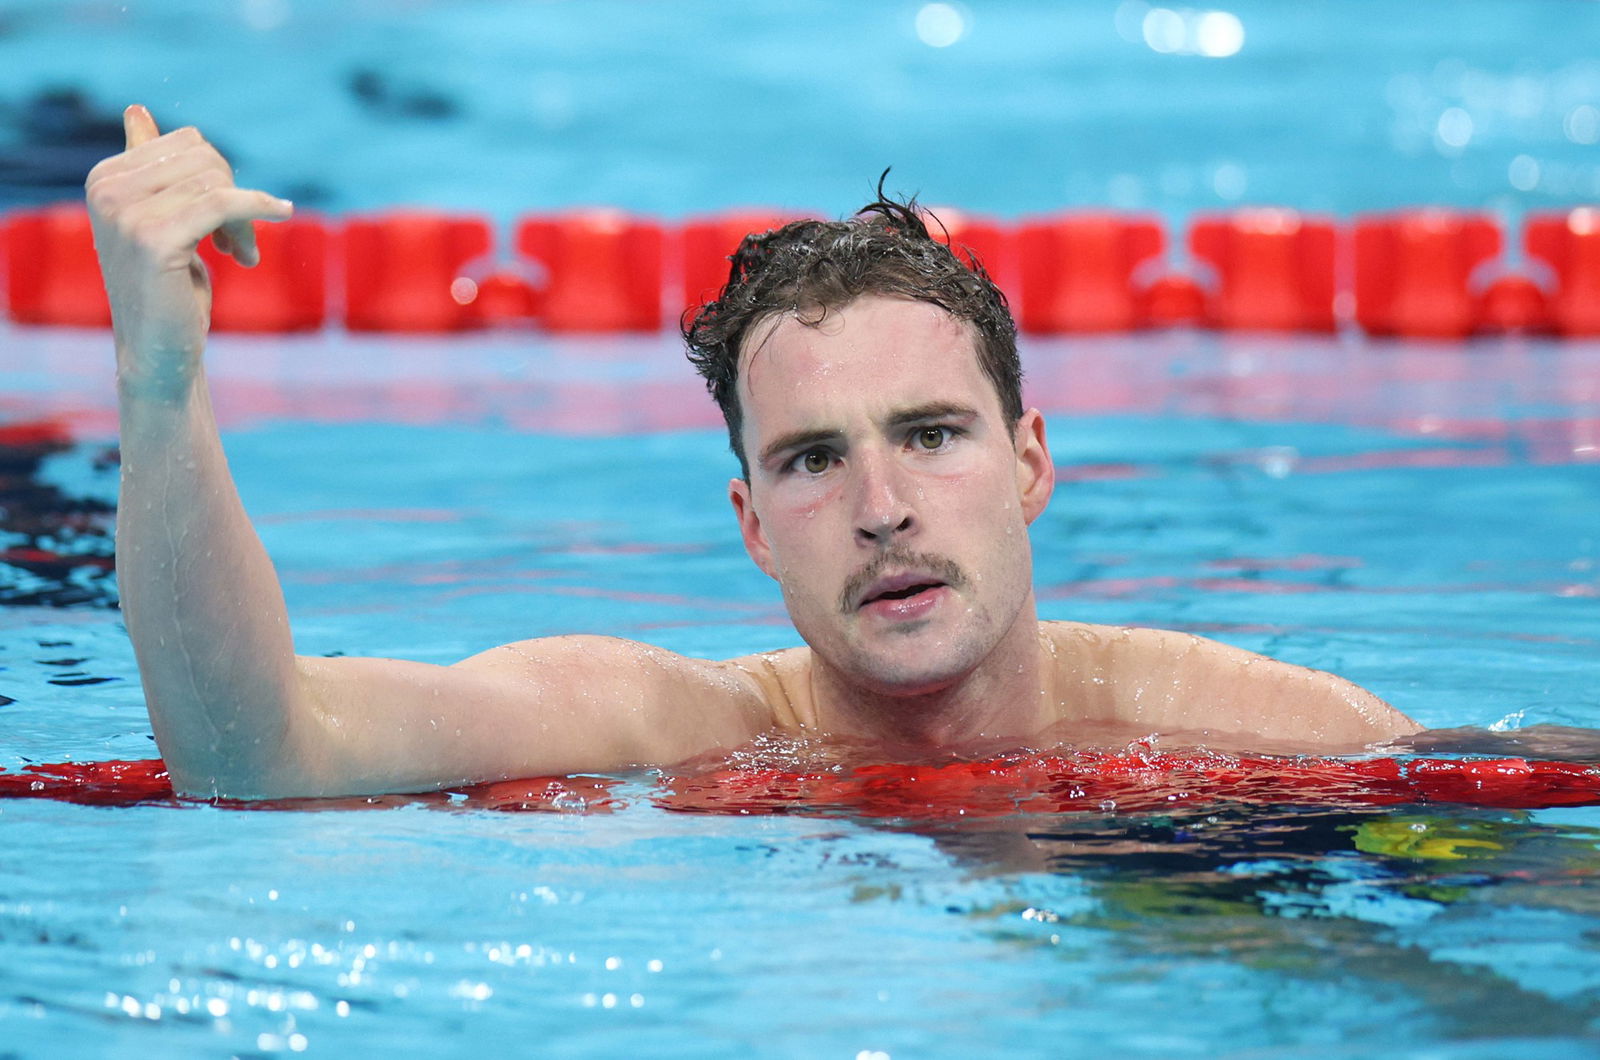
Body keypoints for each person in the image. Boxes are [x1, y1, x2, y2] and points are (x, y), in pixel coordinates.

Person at [84, 105, 1419, 800]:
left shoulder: (1260, 732)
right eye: (812, 460)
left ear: (1030, 464)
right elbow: (256, 756)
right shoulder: (670, 727)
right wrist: (159, 381)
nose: (882, 508)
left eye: (932, 436)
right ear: (750, 524)